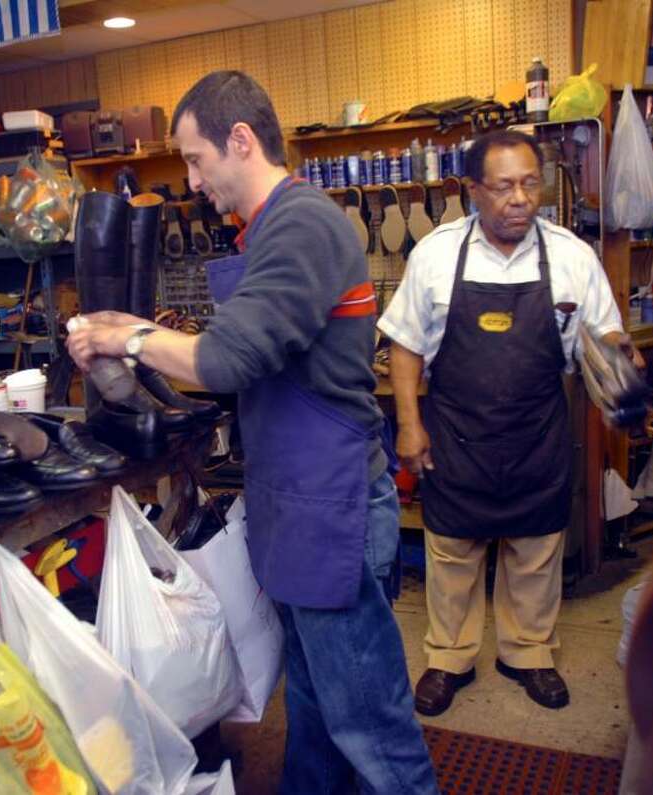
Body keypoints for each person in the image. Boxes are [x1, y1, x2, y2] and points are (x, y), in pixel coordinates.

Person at [68, 70, 439, 794]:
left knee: (369, 718)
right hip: (297, 501)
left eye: (196, 159)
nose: (192, 180)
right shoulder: (269, 228)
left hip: (329, 502)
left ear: (240, 140)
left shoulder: (300, 225)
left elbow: (229, 359)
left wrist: (130, 339)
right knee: (316, 706)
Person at [378, 130, 643, 717]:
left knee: (536, 550)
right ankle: (449, 657)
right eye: (503, 187)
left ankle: (527, 652)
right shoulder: (437, 255)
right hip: (456, 432)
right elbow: (405, 346)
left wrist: (619, 357)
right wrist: (409, 426)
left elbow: (604, 332)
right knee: (453, 553)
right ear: (473, 190)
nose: (520, 198)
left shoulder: (571, 255)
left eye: (529, 183)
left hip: (538, 430)